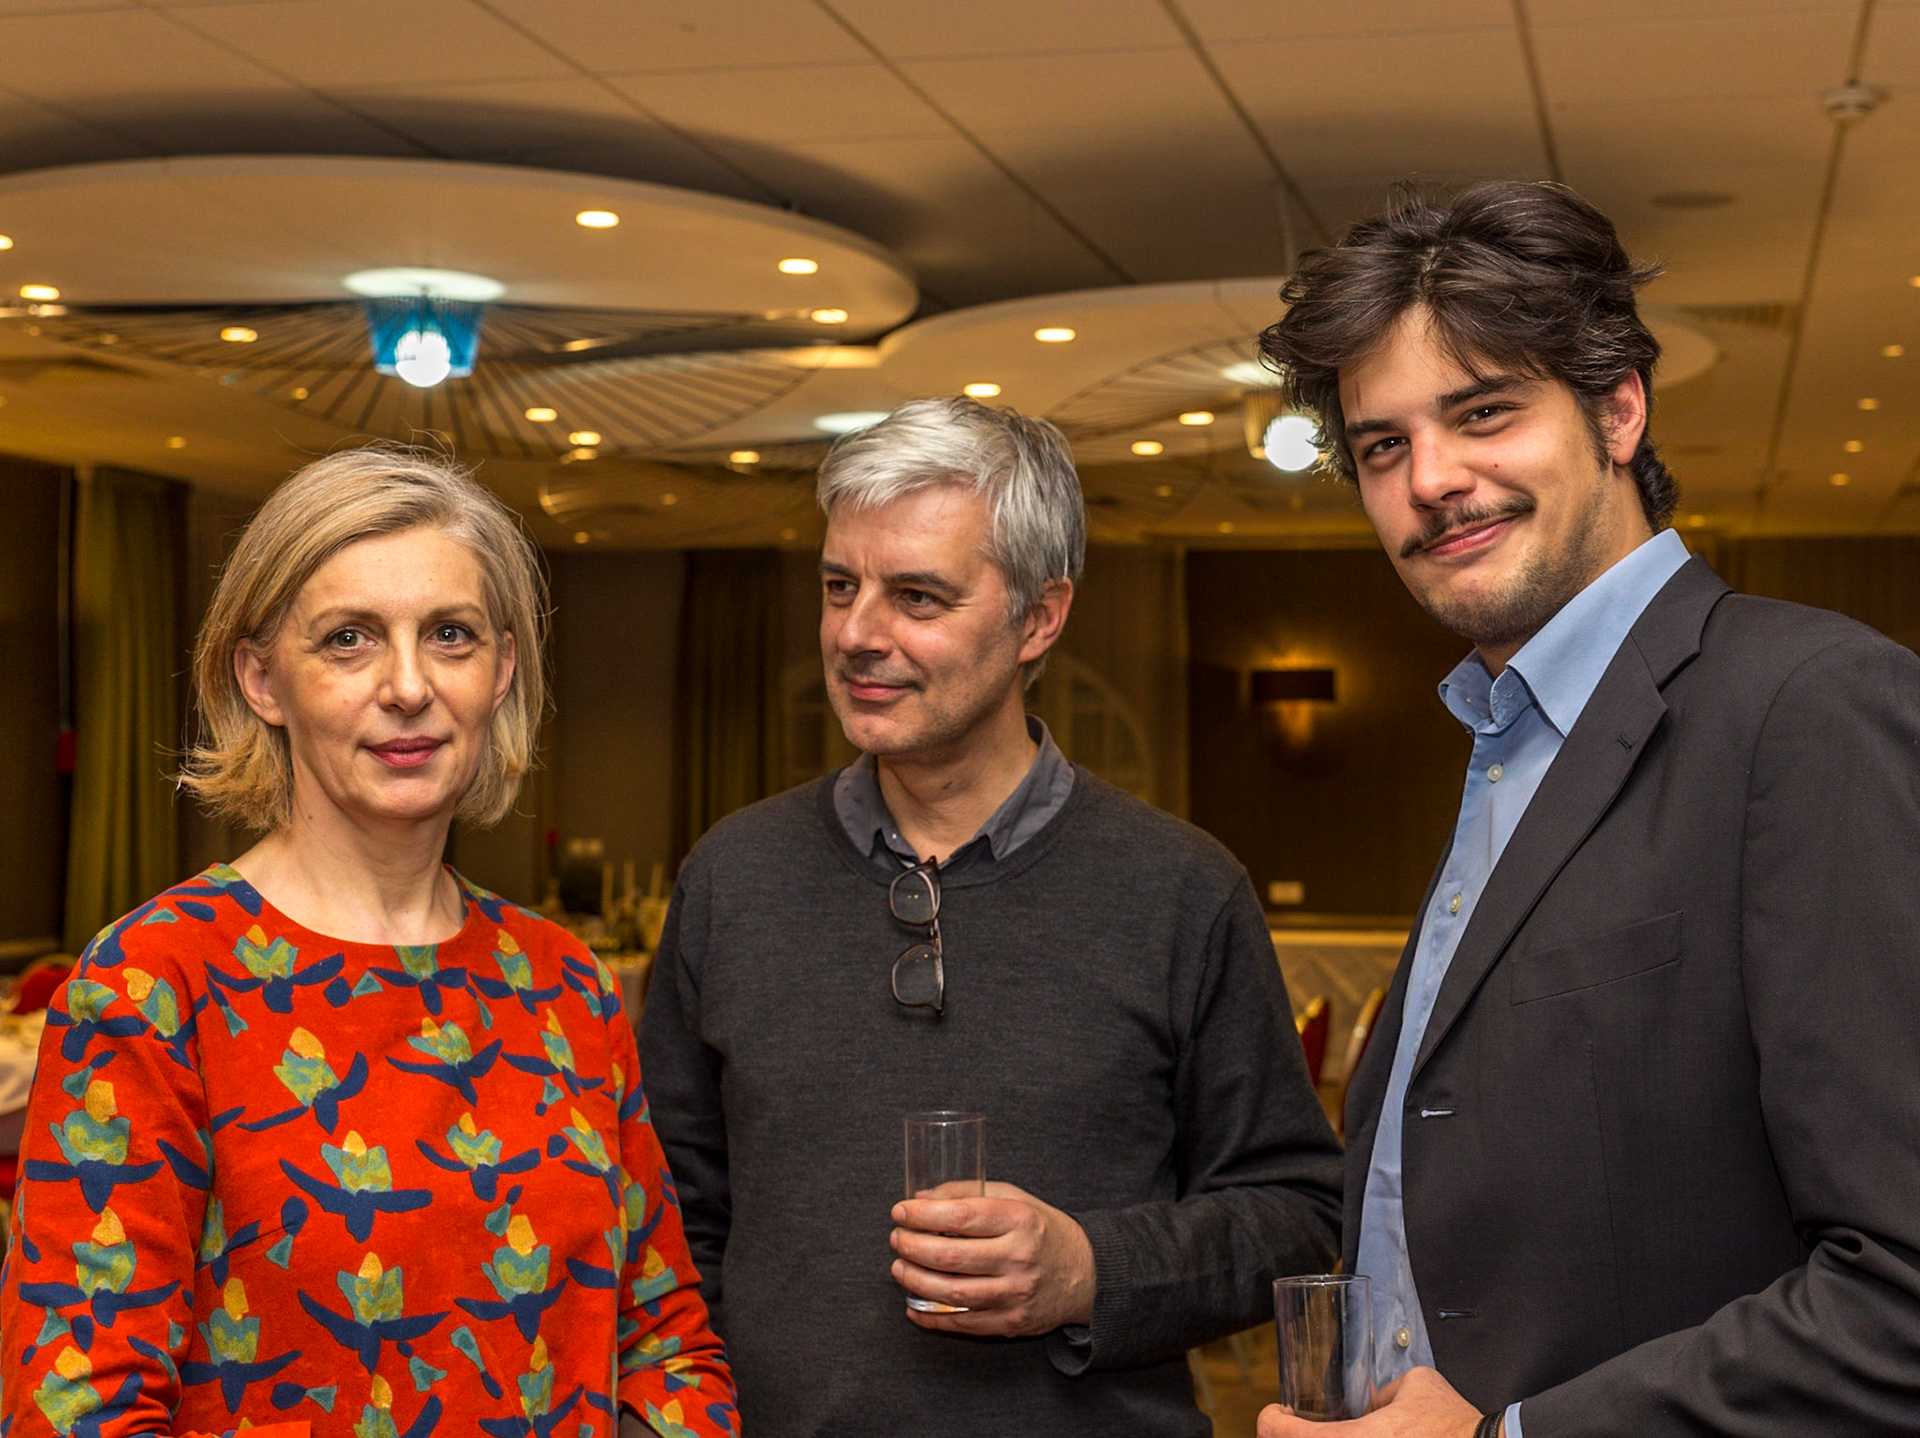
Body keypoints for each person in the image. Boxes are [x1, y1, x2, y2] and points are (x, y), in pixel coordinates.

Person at [1255, 181, 1920, 1438]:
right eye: (1383, 446)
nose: (1431, 480)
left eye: (1484, 412)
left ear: (1619, 407)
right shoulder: (1504, 740)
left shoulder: (1811, 707)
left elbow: (1901, 1292)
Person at [638, 396, 1343, 1438]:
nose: (857, 634)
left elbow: (1298, 1214)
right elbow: (664, 1221)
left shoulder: (1181, 890)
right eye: (839, 587)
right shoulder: (731, 878)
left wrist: (1090, 1270)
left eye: (917, 596)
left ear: (1040, 617)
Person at [0, 447, 736, 1438]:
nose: (408, 685)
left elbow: (664, 1341)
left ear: (502, 670)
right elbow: (77, 1408)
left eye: (450, 636)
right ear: (261, 679)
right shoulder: (152, 984)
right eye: (348, 639)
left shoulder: (564, 984)